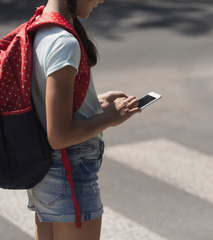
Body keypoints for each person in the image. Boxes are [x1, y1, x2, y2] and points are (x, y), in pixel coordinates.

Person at [26, 0, 142, 239]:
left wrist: (95, 105)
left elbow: (48, 106)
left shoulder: (40, 28)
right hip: (69, 172)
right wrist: (111, 117)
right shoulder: (64, 43)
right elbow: (59, 135)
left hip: (46, 173)